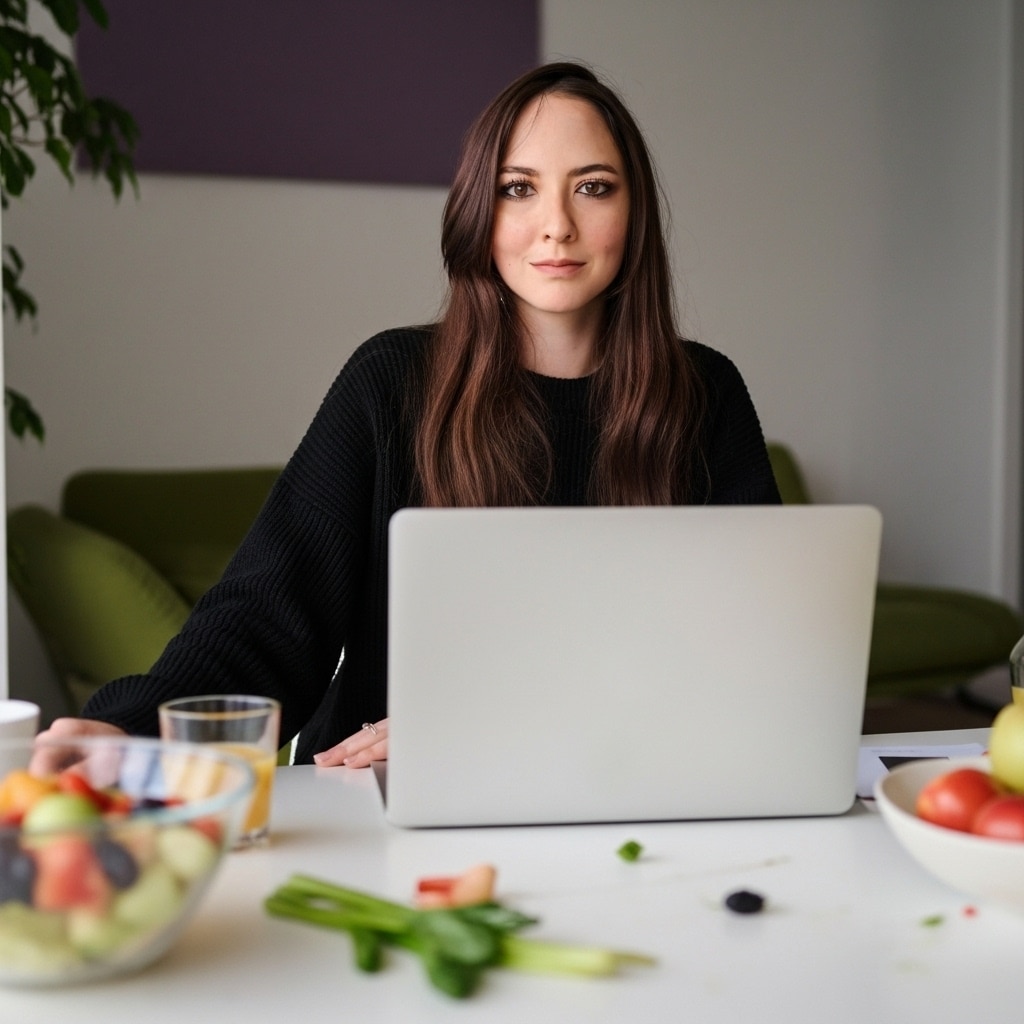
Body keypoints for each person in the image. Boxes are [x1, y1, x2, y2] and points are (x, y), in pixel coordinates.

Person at [35, 61, 780, 768]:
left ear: (635, 210)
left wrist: (500, 726)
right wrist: (132, 729)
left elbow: (748, 656)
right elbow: (267, 617)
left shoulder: (704, 394)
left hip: (628, 783)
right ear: (477, 210)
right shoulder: (390, 380)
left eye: (593, 187)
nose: (556, 225)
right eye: (518, 188)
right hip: (384, 794)